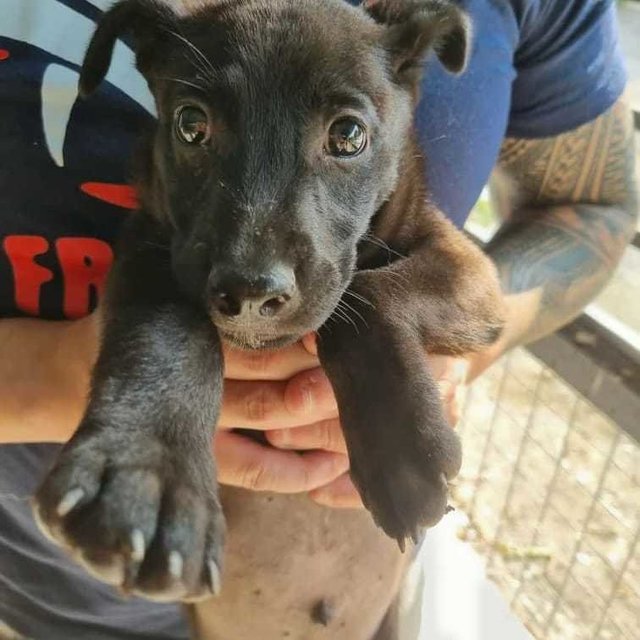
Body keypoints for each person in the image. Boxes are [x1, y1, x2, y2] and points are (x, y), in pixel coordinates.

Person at [0, 0, 637, 638]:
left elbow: (586, 209)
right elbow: (151, 285)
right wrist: (54, 377)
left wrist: (404, 351)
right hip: (70, 600)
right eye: (194, 127)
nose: (255, 265)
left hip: (356, 598)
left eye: (345, 137)